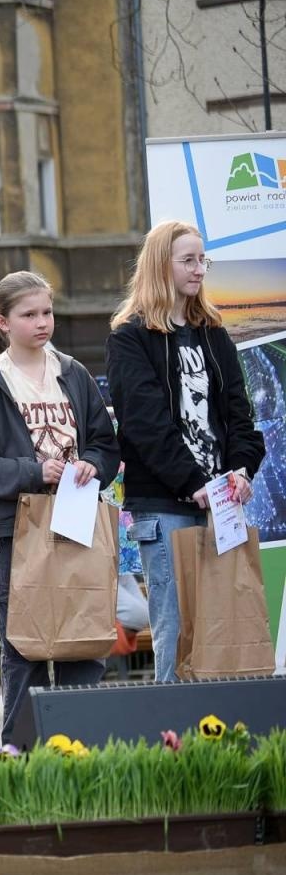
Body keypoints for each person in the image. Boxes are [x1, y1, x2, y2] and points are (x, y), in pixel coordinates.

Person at [0, 271, 120, 744]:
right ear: (3, 322)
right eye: (29, 314)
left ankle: (79, 745)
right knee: (24, 645)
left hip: (77, 521)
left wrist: (91, 463)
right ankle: (22, 752)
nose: (42, 322)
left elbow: (105, 443)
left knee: (82, 637)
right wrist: (34, 472)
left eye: (47, 312)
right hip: (18, 528)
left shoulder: (73, 372)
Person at [106, 221, 264, 682]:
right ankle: (174, 725)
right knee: (175, 632)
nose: (199, 270)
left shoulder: (213, 333)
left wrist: (241, 470)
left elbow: (240, 415)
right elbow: (144, 424)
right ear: (161, 265)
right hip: (165, 505)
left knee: (225, 627)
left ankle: (223, 722)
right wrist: (194, 483)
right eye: (189, 260)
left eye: (202, 260)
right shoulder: (130, 336)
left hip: (222, 506)